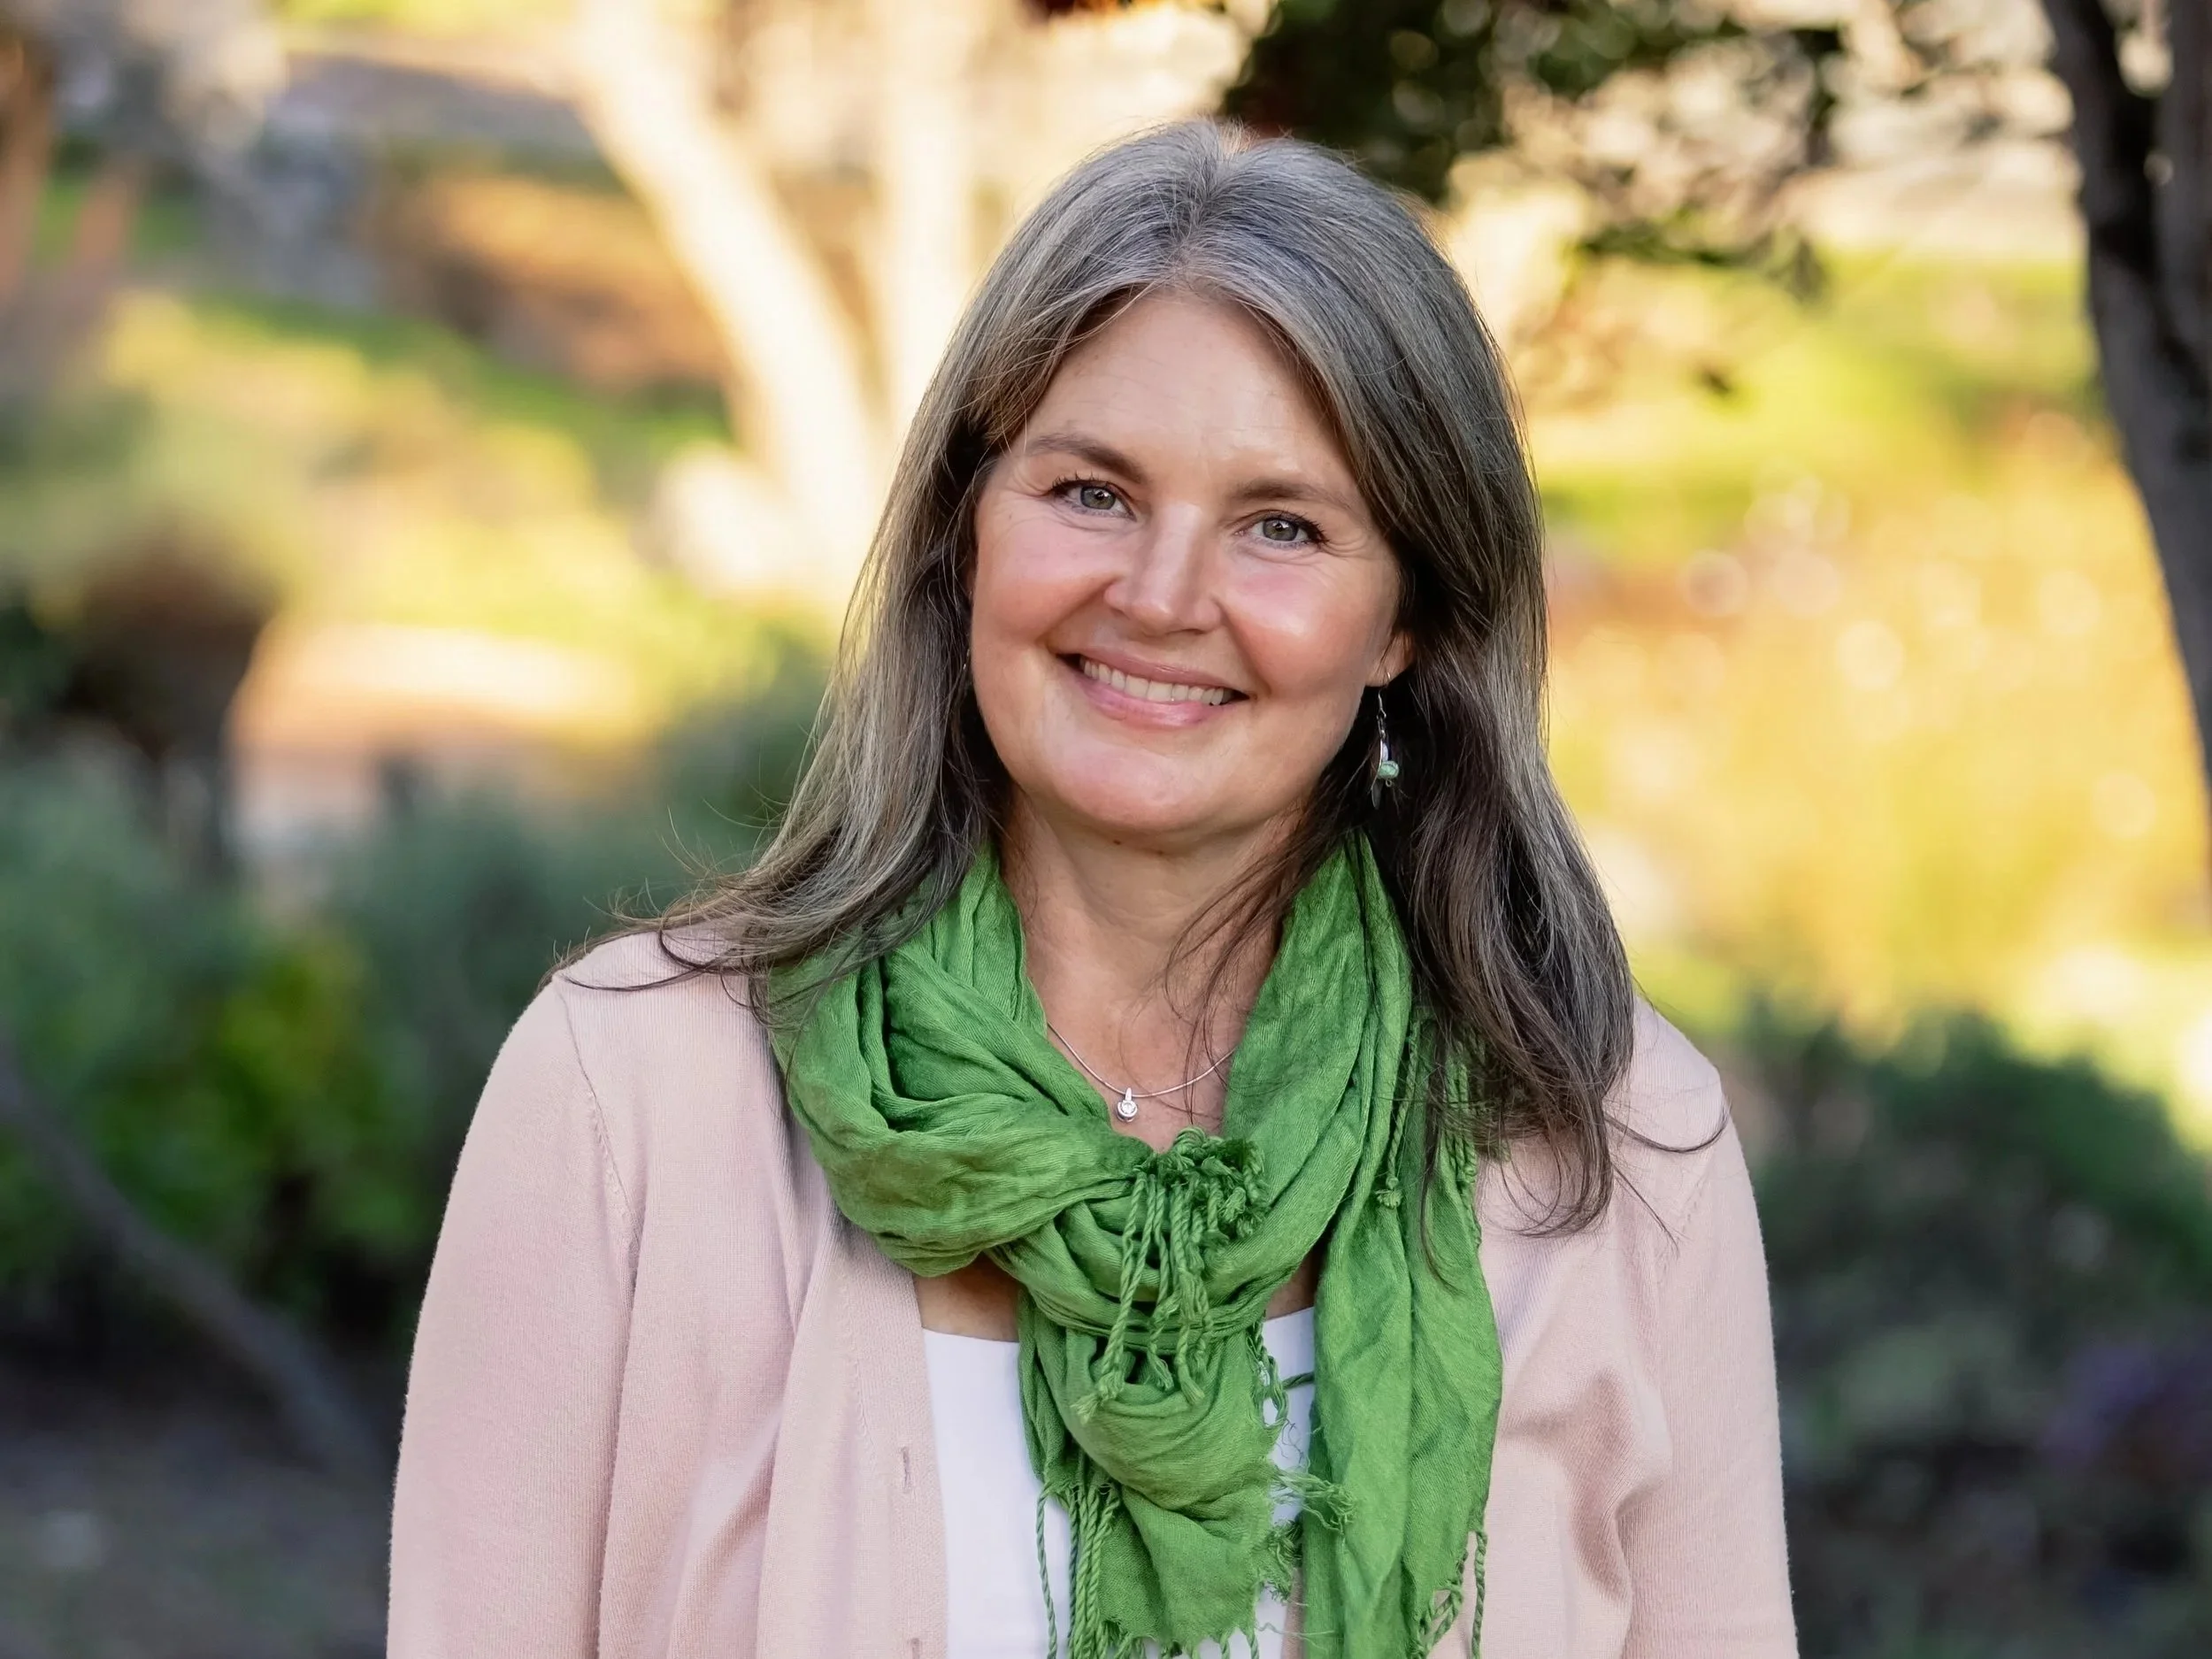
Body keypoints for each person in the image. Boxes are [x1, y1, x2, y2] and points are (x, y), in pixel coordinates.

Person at [387, 120, 1795, 1659]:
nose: (1164, 596)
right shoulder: (631, 1099)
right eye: (1092, 493)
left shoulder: (1619, 1156)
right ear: (966, 529)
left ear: (1406, 619)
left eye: (1282, 525)